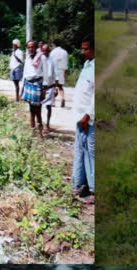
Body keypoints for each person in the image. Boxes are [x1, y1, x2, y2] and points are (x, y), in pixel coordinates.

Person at [72, 34, 95, 205]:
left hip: (89, 118)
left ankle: (94, 191)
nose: (82, 52)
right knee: (81, 152)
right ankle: (81, 184)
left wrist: (88, 115)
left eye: (86, 48)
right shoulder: (87, 64)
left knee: (92, 154)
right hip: (80, 117)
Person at [23, 40, 45, 135]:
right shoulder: (27, 58)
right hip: (28, 84)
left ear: (36, 48)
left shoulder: (41, 58)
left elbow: (46, 73)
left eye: (32, 47)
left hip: (37, 85)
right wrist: (22, 88)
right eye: (29, 47)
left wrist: (44, 89)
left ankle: (40, 132)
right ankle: (32, 131)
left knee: (38, 110)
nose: (30, 49)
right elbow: (25, 73)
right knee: (31, 109)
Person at [41, 43, 58, 135]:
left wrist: (56, 88)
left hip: (50, 86)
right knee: (38, 106)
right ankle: (40, 124)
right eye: (43, 50)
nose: (45, 52)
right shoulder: (40, 59)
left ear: (49, 51)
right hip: (41, 87)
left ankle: (47, 124)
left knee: (48, 107)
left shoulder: (53, 60)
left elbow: (56, 74)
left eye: (46, 50)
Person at [50, 40, 69, 107]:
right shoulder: (65, 52)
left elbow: (51, 63)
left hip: (54, 71)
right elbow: (66, 64)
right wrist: (65, 73)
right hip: (61, 71)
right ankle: (62, 98)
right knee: (60, 86)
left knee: (53, 86)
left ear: (54, 44)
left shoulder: (52, 52)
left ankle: (53, 102)